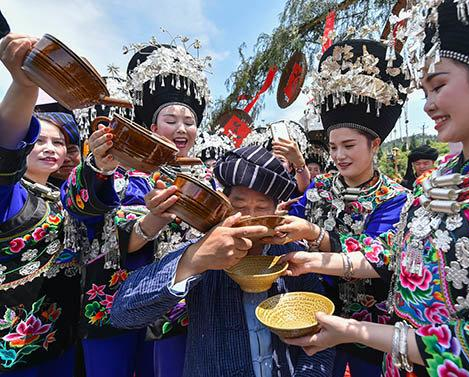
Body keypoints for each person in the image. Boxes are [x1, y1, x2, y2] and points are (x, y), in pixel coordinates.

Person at [275, 1, 469, 376]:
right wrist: (311, 260)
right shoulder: (437, 182)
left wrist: (354, 331)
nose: (428, 105)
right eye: (425, 91)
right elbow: (387, 256)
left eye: (439, 86)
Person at [110, 145, 334, 376]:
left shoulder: (292, 256)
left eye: (261, 207)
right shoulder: (204, 251)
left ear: (277, 210)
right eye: (239, 206)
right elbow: (122, 314)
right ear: (224, 205)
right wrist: (193, 261)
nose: (250, 216)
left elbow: (320, 337)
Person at [62, 41, 210, 377]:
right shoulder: (124, 172)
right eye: (171, 119)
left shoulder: (206, 179)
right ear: (153, 127)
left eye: (189, 121)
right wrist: (99, 166)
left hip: (180, 313)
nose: (182, 129)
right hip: (115, 302)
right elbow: (81, 210)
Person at [268, 39, 409, 377]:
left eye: (349, 146)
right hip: (312, 313)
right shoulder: (320, 187)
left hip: (369, 330)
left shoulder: (395, 198)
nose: (339, 156)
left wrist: (316, 234)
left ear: (374, 144)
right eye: (333, 147)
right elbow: (293, 218)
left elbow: (375, 258)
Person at [0, 33, 81, 377]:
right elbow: (5, 146)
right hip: (17, 356)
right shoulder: (10, 195)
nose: (50, 148)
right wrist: (24, 86)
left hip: (66, 343)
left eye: (59, 142)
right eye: (40, 140)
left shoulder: (65, 197)